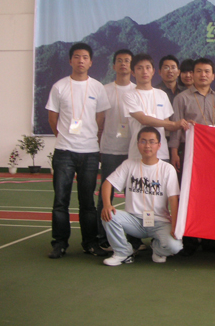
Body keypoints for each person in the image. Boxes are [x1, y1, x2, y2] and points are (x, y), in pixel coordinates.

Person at [46, 42, 111, 259]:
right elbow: (53, 118)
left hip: (90, 152)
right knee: (60, 200)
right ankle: (60, 243)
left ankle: (90, 243)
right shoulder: (59, 87)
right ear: (70, 61)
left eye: (85, 57)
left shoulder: (97, 87)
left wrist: (89, 138)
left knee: (87, 202)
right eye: (76, 57)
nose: (80, 61)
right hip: (64, 151)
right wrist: (64, 137)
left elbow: (100, 119)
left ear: (90, 62)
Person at [101, 127, 183, 266]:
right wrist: (107, 205)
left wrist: (175, 225)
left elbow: (173, 199)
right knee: (108, 215)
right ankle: (123, 252)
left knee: (175, 247)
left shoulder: (167, 169)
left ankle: (157, 249)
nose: (147, 146)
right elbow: (107, 183)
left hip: (159, 221)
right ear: (138, 144)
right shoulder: (129, 164)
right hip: (134, 220)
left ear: (159, 145)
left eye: (152, 142)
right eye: (143, 141)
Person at [97, 49, 135, 250]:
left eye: (127, 61)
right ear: (113, 66)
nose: (123, 64)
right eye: (119, 60)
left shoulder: (137, 90)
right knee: (105, 195)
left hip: (132, 151)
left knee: (134, 197)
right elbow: (99, 122)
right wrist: (98, 146)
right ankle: (102, 237)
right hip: (110, 149)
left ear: (132, 66)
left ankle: (133, 239)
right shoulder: (104, 90)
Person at [123, 54, 189, 162]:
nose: (144, 71)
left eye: (148, 68)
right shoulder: (129, 95)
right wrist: (173, 124)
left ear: (153, 71)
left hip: (161, 153)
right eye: (140, 68)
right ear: (133, 72)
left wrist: (185, 124)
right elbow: (143, 119)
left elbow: (167, 125)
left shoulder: (162, 94)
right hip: (138, 154)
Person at [169, 58, 215, 172]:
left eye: (207, 71)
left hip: (214, 149)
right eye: (199, 71)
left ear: (213, 76)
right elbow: (176, 128)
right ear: (193, 74)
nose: (203, 75)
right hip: (189, 148)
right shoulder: (181, 98)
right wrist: (174, 153)